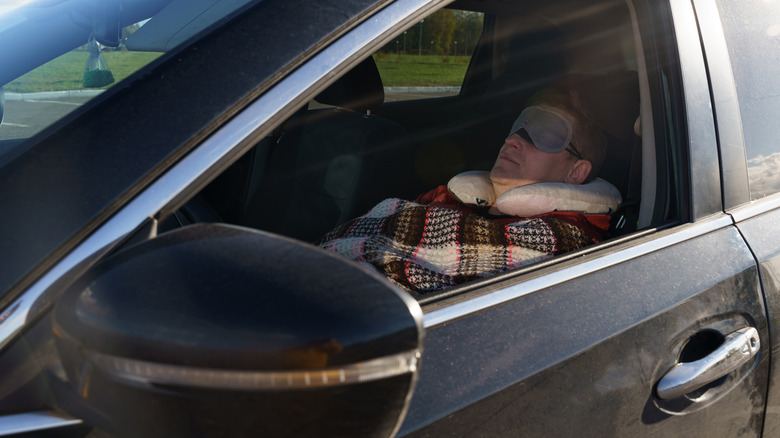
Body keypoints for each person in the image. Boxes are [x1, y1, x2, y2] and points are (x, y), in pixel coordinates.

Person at [317, 87, 612, 295]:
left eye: (545, 134)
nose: (512, 139)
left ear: (576, 172)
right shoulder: (447, 198)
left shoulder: (563, 247)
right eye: (519, 126)